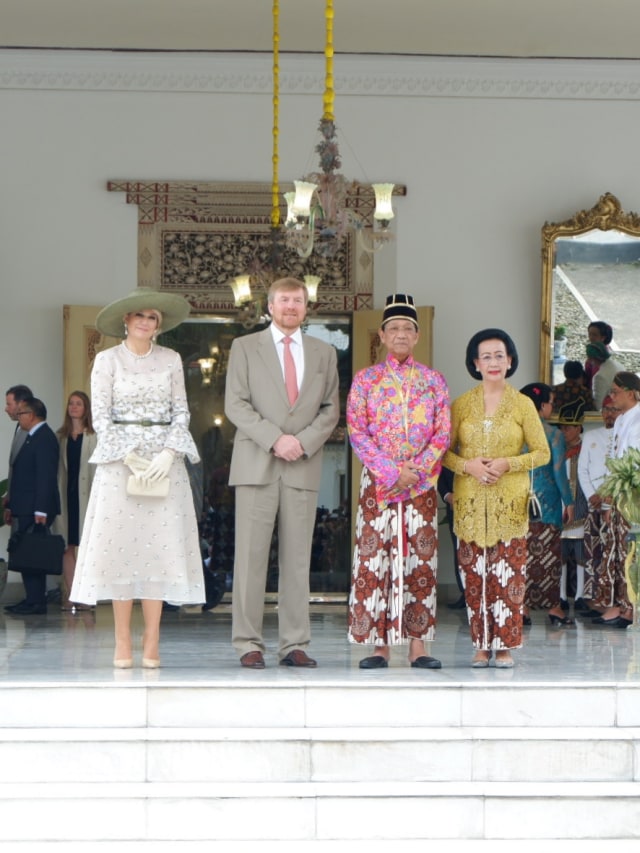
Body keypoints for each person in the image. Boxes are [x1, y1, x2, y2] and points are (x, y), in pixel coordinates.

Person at [70, 287, 204, 668]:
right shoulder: (106, 360)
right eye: (140, 315)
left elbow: (181, 411)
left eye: (152, 317)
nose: (146, 322)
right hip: (119, 464)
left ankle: (152, 638)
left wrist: (168, 453)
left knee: (159, 550)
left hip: (163, 462)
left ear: (158, 326)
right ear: (126, 320)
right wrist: (126, 454)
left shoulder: (171, 359)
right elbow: (101, 415)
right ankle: (122, 639)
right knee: (121, 551)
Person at [224, 276, 340, 669]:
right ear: (270, 306)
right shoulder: (245, 347)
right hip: (256, 464)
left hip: (302, 465)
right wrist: (276, 439)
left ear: (306, 308)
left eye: (297, 301)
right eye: (284, 300)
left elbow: (330, 409)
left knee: (297, 560)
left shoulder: (324, 352)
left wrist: (301, 442)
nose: (291, 306)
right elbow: (236, 404)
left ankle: (294, 643)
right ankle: (247, 643)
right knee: (250, 559)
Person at [346, 294, 450, 670]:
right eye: (394, 328)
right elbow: (357, 431)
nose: (401, 334)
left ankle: (418, 646)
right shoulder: (366, 380)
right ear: (383, 335)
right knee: (376, 560)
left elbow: (442, 433)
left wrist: (416, 472)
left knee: (419, 561)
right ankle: (379, 646)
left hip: (421, 486)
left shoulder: (433, 381)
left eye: (408, 328)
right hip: (379, 486)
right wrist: (392, 473)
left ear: (417, 335)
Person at [443, 329, 549, 668]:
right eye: (485, 356)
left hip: (510, 505)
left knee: (508, 576)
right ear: (475, 363)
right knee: (474, 577)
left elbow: (542, 452)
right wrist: (469, 466)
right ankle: (480, 645)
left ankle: (504, 647)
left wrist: (507, 463)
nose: (493, 362)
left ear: (510, 360)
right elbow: (443, 453)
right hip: (470, 504)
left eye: (499, 355)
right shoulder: (461, 405)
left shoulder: (523, 404)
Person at [520, 383, 575, 626]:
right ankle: (554, 609)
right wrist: (569, 502)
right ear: (542, 405)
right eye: (551, 403)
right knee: (549, 556)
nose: (552, 407)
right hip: (547, 504)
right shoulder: (554, 434)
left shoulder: (514, 431)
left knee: (521, 555)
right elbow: (559, 473)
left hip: (518, 501)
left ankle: (522, 608)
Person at [4, 397, 61, 615]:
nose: (18, 418)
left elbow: (45, 477)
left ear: (32, 415)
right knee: (27, 553)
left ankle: (37, 601)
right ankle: (32, 598)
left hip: (35, 508)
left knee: (33, 553)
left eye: (21, 414)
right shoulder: (31, 437)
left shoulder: (44, 437)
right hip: (25, 506)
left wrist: (40, 509)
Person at [592, 371, 640, 628]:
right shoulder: (622, 420)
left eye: (615, 392)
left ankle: (631, 609)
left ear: (631, 393)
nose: (611, 397)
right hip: (619, 495)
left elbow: (634, 463)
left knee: (631, 552)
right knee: (617, 551)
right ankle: (620, 605)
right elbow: (615, 462)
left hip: (634, 497)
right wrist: (610, 499)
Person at [52, 391, 97, 612]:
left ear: (86, 408)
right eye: (71, 403)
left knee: (87, 547)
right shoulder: (61, 436)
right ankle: (71, 594)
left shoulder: (94, 436)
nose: (74, 407)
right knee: (66, 546)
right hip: (65, 495)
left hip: (87, 495)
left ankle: (86, 595)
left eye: (78, 404)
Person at [577, 395, 619, 616]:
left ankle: (611, 602)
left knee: (611, 554)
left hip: (615, 505)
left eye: (614, 409)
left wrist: (609, 496)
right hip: (593, 504)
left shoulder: (626, 435)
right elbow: (582, 469)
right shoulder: (591, 436)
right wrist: (591, 494)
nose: (609, 414)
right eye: (606, 410)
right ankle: (593, 601)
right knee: (592, 554)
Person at [556, 399, 589, 611]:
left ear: (578, 428)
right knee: (560, 555)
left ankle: (580, 596)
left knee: (579, 554)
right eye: (562, 427)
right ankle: (560, 595)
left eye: (568, 427)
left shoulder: (586, 448)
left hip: (580, 506)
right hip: (559, 506)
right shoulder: (556, 448)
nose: (564, 431)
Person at [3, 384, 34, 526]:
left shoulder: (33, 432)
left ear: (21, 404)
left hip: (28, 508)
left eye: (9, 404)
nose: (6, 409)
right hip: (17, 505)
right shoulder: (19, 427)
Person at [438, 467, 466, 609]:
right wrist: (447, 496)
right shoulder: (445, 452)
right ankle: (465, 593)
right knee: (459, 550)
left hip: (484, 501)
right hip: (454, 505)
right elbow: (438, 473)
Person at [588, 341, 624, 410]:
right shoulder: (619, 365)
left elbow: (598, 405)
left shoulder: (599, 377)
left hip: (613, 410)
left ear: (593, 359)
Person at [584, 321, 613, 391]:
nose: (591, 337)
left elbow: (596, 379)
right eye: (589, 334)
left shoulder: (600, 355)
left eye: (594, 335)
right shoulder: (594, 349)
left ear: (603, 337)